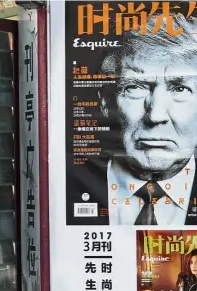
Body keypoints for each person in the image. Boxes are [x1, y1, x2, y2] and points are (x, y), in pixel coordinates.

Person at [68, 14, 197, 225]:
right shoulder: (61, 187)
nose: (156, 115)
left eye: (181, 89)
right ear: (106, 102)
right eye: (134, 87)